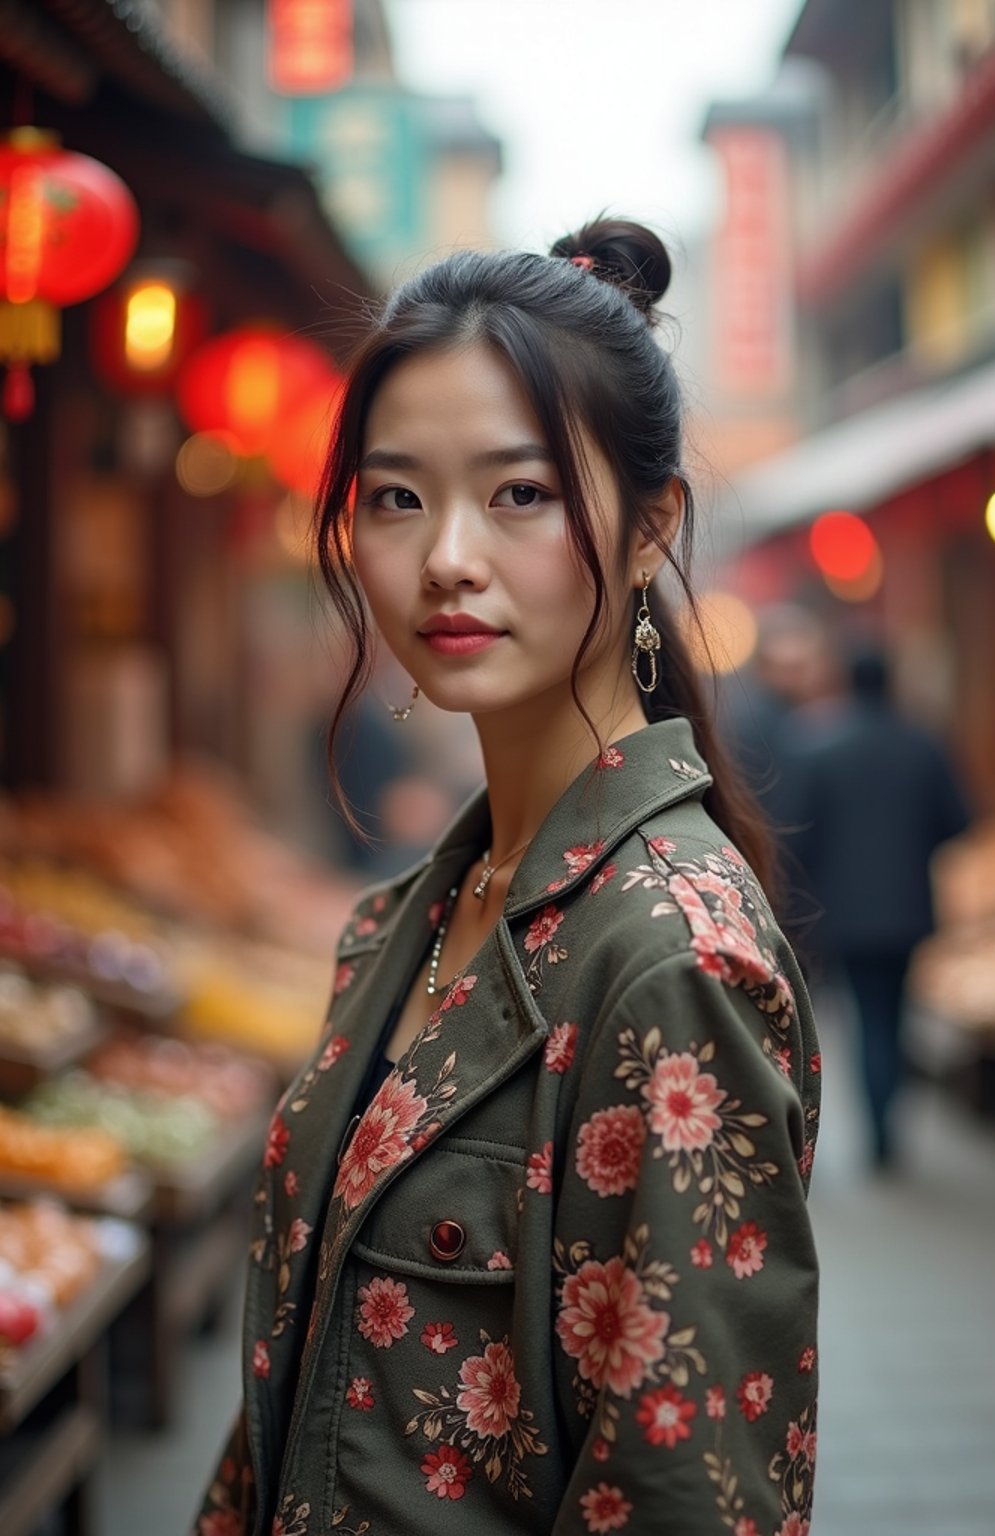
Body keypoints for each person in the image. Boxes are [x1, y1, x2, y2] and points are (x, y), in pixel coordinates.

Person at [191, 220, 821, 1536]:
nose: (446, 558)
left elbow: (689, 1500)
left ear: (651, 531)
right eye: (396, 495)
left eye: (518, 493)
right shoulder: (416, 914)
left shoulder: (671, 960)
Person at [791, 647, 970, 1168]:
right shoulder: (925, 745)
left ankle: (879, 1124)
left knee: (865, 1014)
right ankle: (888, 1121)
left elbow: (798, 833)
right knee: (892, 1012)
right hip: (909, 903)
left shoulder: (819, 748)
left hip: (844, 909)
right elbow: (959, 820)